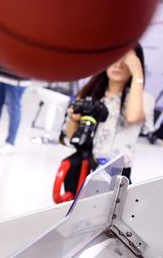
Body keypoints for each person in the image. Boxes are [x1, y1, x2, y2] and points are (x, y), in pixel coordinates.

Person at [63, 45, 152, 181]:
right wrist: (74, 120)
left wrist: (138, 75)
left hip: (118, 174)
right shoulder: (89, 94)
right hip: (85, 168)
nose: (118, 65)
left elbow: (132, 117)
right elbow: (71, 139)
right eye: (115, 57)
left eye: (126, 60)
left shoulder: (144, 99)